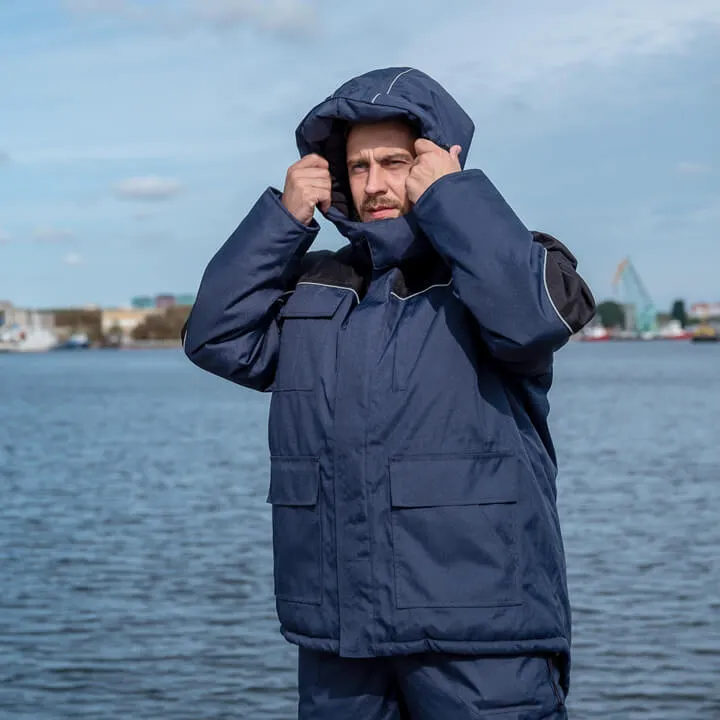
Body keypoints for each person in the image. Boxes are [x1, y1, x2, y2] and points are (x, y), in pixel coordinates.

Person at [183, 67, 596, 719]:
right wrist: (282, 219)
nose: (373, 184)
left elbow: (531, 320)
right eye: (358, 166)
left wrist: (453, 198)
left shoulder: (506, 265)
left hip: (481, 636)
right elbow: (215, 336)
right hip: (340, 636)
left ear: (439, 159)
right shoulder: (316, 284)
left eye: (394, 162)